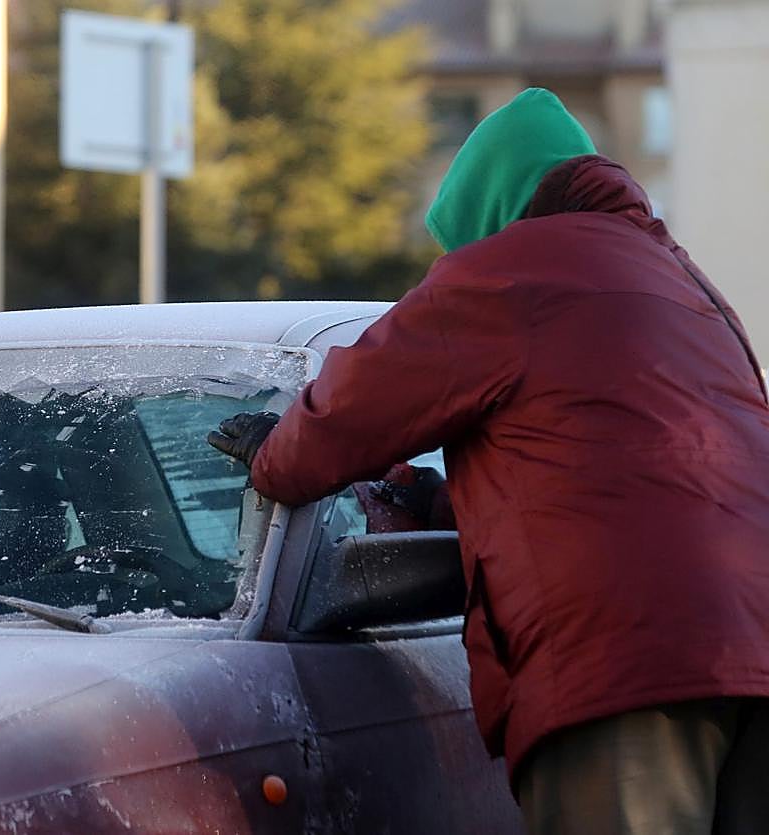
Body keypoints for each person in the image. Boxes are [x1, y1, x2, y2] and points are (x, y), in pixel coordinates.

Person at [208, 88, 769, 835]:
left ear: (489, 211)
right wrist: (444, 509)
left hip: (623, 669)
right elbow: (639, 473)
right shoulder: (687, 285)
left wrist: (272, 454)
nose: (452, 260)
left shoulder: (506, 273)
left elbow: (354, 404)